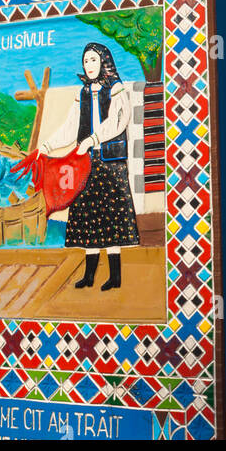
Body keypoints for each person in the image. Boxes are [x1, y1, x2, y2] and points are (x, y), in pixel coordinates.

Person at [40, 42, 139, 291]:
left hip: (109, 161)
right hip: (85, 162)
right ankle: (89, 275)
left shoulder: (116, 88)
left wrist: (93, 140)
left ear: (104, 61)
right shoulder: (82, 92)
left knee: (110, 217)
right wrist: (48, 146)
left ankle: (115, 276)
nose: (89, 65)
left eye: (93, 60)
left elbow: (119, 120)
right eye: (86, 61)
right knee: (88, 218)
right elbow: (70, 126)